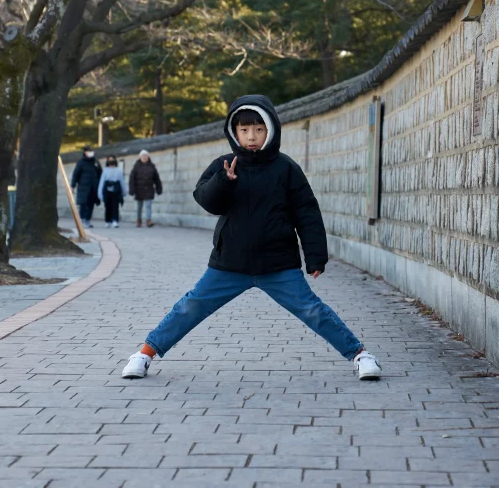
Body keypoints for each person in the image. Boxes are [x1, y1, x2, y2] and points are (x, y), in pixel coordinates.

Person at [120, 95, 382, 381]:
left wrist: (316, 255)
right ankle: (144, 354)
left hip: (278, 264)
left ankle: (360, 355)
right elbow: (207, 201)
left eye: (258, 129)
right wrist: (224, 182)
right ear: (234, 132)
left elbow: (306, 212)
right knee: (191, 306)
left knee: (313, 310)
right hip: (229, 263)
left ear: (270, 130)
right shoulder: (224, 165)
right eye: (244, 130)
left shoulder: (286, 168)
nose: (252, 136)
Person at [128, 150, 163, 228]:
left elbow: (156, 179)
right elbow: (132, 179)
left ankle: (148, 220)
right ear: (140, 157)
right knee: (139, 206)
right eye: (143, 156)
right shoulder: (136, 167)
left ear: (148, 157)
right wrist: (131, 189)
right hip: (139, 189)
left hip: (149, 189)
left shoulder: (152, 166)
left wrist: (159, 188)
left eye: (146, 156)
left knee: (148, 205)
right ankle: (138, 220)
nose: (144, 157)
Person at [70, 147, 100, 228]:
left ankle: (87, 220)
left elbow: (100, 173)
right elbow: (76, 174)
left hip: (93, 187)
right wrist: (72, 185)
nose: (91, 153)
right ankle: (82, 219)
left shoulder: (95, 162)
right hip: (83, 187)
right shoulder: (81, 162)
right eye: (89, 151)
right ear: (85, 152)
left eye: (91, 151)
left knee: (91, 204)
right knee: (83, 204)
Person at [97, 156, 127, 228]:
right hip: (107, 191)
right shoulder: (105, 170)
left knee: (115, 206)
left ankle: (115, 221)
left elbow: (121, 181)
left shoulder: (118, 170)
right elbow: (102, 182)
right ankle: (108, 221)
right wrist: (100, 193)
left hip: (116, 191)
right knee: (108, 206)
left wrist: (124, 191)